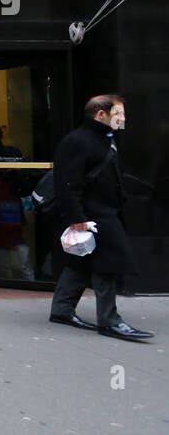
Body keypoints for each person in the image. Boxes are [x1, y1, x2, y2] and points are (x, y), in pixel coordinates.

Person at [48, 95, 153, 341]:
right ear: (101, 114)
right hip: (94, 215)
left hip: (103, 211)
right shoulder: (78, 141)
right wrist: (76, 217)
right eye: (119, 114)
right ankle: (110, 320)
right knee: (109, 264)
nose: (124, 119)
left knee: (81, 262)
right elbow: (66, 183)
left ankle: (62, 309)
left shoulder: (104, 138)